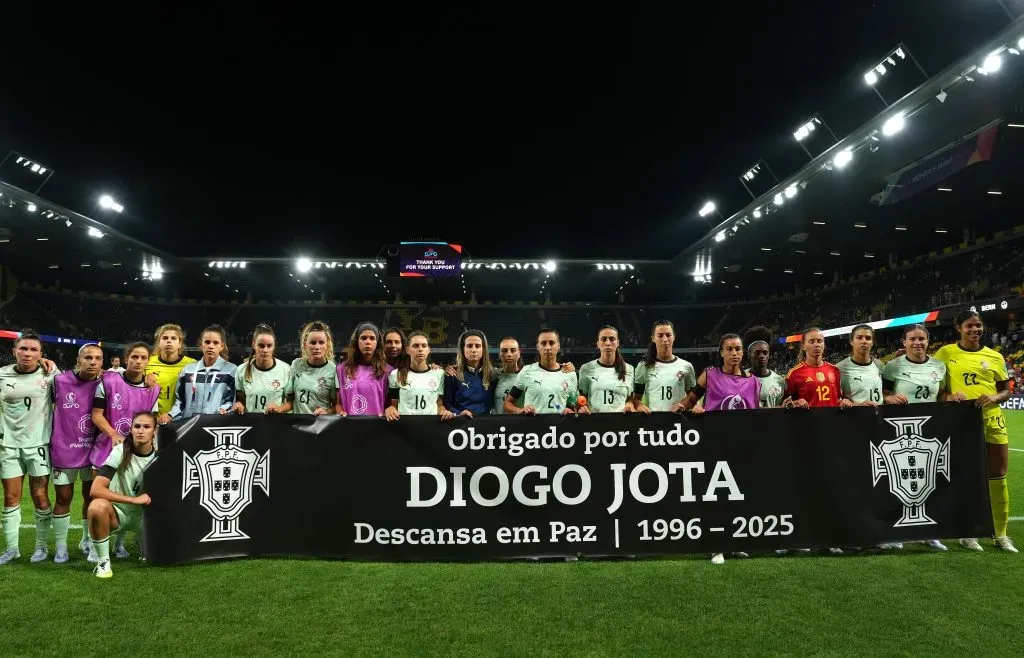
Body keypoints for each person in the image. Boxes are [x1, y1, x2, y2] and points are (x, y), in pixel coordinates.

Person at [934, 311, 1016, 553]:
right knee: (968, 477)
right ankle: (968, 533)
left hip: (992, 420)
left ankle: (1000, 534)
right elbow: (937, 390)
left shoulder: (995, 356)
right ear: (959, 328)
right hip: (963, 423)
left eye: (978, 326)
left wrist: (993, 396)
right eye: (969, 326)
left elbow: (1005, 391)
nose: (975, 330)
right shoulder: (945, 353)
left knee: (998, 475)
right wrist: (949, 396)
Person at [881, 324, 966, 552]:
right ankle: (896, 531)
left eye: (922, 339)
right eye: (912, 339)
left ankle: (928, 532)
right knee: (897, 480)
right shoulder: (893, 366)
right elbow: (883, 392)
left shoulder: (939, 366)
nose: (917, 343)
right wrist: (889, 398)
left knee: (929, 480)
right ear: (904, 342)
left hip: (930, 429)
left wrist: (952, 396)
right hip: (899, 430)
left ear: (928, 341)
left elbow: (941, 394)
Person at [0, 331, 59, 565]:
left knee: (40, 496)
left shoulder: (51, 374)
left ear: (41, 354)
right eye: (23, 348)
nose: (28, 353)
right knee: (10, 497)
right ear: (14, 351)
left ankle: (41, 547)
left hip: (38, 444)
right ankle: (12, 548)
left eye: (33, 350)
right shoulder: (2, 374)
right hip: (8, 445)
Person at [86, 411, 164, 579]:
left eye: (146, 427)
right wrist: (133, 500)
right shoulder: (120, 451)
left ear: (155, 431)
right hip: (119, 514)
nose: (141, 431)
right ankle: (103, 562)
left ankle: (144, 540)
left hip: (146, 517)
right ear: (131, 430)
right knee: (96, 506)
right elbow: (96, 490)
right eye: (137, 426)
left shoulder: (161, 454)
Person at [50, 343, 104, 563]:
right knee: (63, 498)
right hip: (64, 450)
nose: (93, 362)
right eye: (88, 357)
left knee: (90, 497)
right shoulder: (59, 381)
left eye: (98, 358)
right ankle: (60, 547)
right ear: (78, 359)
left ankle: (87, 541)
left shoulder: (106, 383)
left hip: (93, 451)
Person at [504, 328, 579, 415]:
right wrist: (520, 410)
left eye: (551, 343)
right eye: (543, 343)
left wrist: (570, 409)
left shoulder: (570, 374)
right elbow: (507, 404)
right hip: (533, 427)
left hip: (559, 427)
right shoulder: (526, 371)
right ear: (538, 346)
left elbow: (573, 405)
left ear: (558, 346)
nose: (547, 347)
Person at [170, 325, 237, 420]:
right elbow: (180, 401)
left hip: (215, 425)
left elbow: (232, 400)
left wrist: (224, 409)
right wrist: (171, 415)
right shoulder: (188, 370)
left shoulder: (231, 370)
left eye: (215, 343)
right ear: (201, 345)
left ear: (221, 346)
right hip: (189, 426)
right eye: (207, 342)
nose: (210, 346)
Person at [385, 332, 454, 420]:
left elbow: (439, 404)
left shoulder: (439, 374)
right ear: (407, 350)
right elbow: (393, 404)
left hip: (430, 426)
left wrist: (443, 411)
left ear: (429, 349)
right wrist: (390, 409)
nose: (420, 349)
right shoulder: (396, 374)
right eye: (415, 346)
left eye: (424, 345)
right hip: (405, 427)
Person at [632, 320, 696, 414]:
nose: (665, 339)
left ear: (674, 337)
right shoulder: (644, 366)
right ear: (653, 338)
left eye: (668, 335)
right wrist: (639, 405)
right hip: (654, 424)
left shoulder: (686, 366)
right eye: (660, 335)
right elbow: (636, 399)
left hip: (678, 424)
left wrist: (696, 406)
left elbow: (692, 397)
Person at [784, 328, 852, 410]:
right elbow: (787, 403)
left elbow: (837, 398)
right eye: (811, 342)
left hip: (832, 421)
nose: (816, 344)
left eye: (819, 341)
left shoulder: (834, 370)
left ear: (824, 344)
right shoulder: (794, 373)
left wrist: (844, 402)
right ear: (803, 346)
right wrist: (796, 402)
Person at [232, 323, 292, 415]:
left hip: (276, 424)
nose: (265, 350)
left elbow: (291, 402)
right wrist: (239, 406)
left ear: (274, 345)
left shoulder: (286, 369)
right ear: (253, 344)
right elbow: (240, 400)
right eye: (261, 345)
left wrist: (279, 409)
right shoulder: (241, 370)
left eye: (269, 345)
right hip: (250, 423)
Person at [577, 326, 635, 414]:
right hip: (595, 423)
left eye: (612, 339)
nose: (608, 343)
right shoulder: (586, 368)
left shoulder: (629, 369)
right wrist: (582, 407)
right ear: (598, 343)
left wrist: (629, 404)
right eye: (603, 339)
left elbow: (630, 399)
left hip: (621, 425)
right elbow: (581, 398)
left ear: (618, 343)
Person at [146, 324, 196, 424]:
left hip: (182, 421)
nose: (169, 341)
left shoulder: (192, 365)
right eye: (164, 338)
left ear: (180, 344)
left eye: (173, 338)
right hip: (154, 420)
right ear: (159, 342)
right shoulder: (148, 363)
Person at [337, 322, 391, 416]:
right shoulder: (341, 369)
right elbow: (337, 403)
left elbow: (391, 405)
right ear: (357, 341)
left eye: (372, 338)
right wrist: (340, 411)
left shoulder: (388, 371)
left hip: (377, 427)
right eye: (363, 338)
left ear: (377, 343)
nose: (368, 342)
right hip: (349, 426)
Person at [288, 321, 339, 415]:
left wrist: (327, 411)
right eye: (313, 342)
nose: (317, 347)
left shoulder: (334, 370)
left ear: (327, 345)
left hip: (320, 426)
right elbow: (289, 400)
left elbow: (338, 406)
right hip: (297, 425)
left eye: (321, 343)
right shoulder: (296, 364)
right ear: (305, 344)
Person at [444, 330, 497, 418]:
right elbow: (447, 404)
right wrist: (459, 413)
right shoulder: (452, 374)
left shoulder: (492, 375)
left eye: (477, 346)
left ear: (483, 349)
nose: (473, 350)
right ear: (462, 349)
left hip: (486, 426)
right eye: (469, 346)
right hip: (460, 424)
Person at [836, 325, 884, 407]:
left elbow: (883, 392)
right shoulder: (839, 368)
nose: (864, 341)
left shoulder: (878, 364)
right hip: (854, 417)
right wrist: (857, 405)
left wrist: (888, 397)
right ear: (851, 341)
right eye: (859, 337)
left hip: (879, 416)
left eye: (868, 338)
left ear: (872, 342)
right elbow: (835, 399)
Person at [744, 326, 786, 408]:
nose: (761, 356)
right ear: (749, 355)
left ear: (769, 355)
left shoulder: (780, 381)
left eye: (765, 352)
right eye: (757, 352)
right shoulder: (739, 378)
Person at [492, 337, 523, 415]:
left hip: (519, 424)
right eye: (504, 351)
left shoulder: (526, 376)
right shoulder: (493, 374)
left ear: (519, 353)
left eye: (513, 350)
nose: (509, 354)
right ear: (500, 354)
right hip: (497, 424)